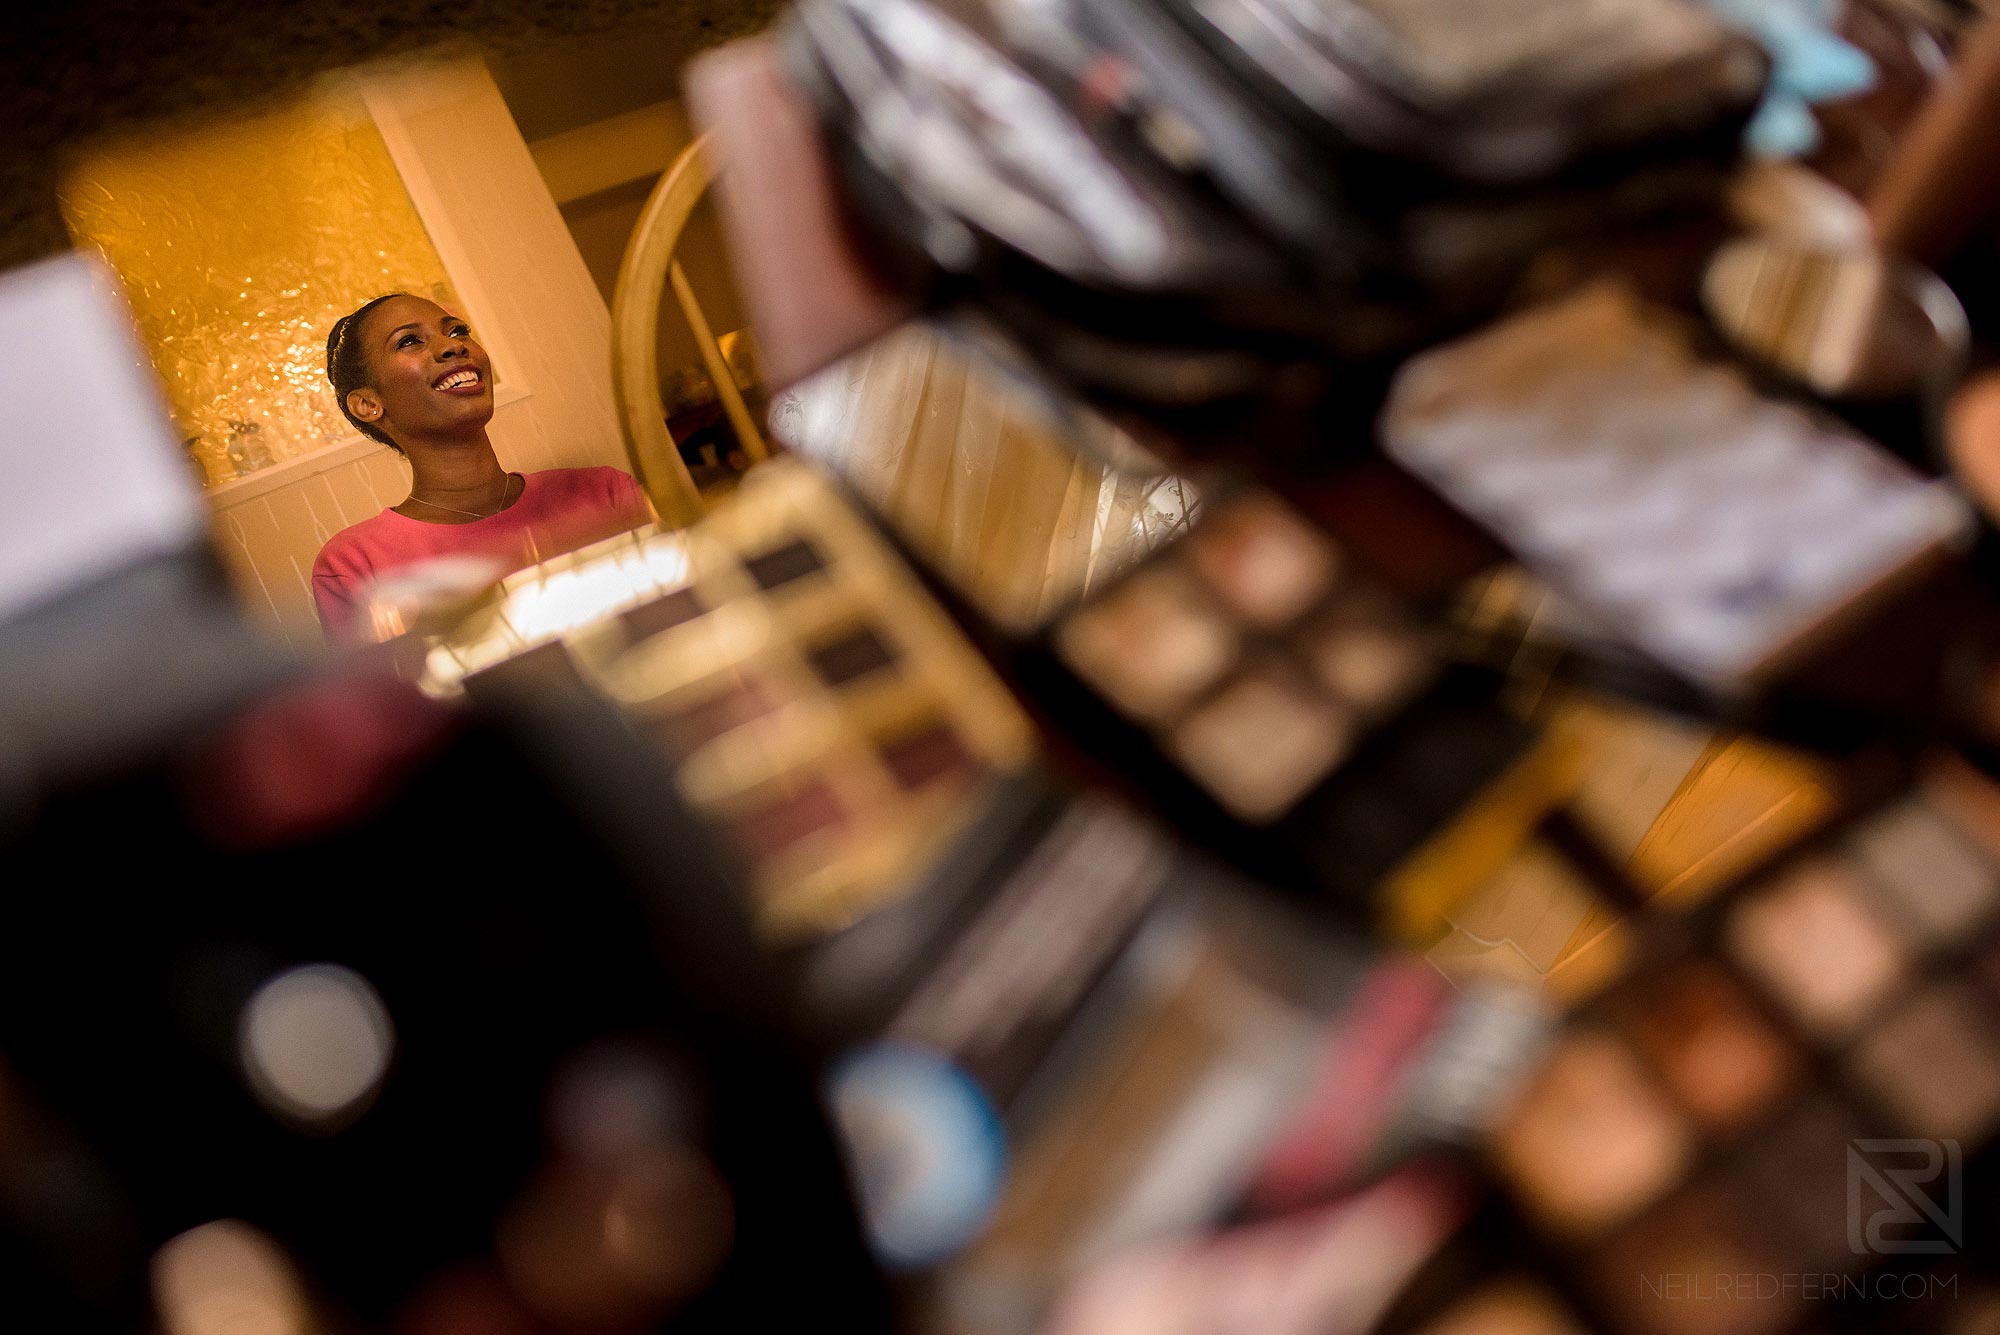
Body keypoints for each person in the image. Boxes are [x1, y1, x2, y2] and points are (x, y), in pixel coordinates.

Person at [311, 293, 654, 639]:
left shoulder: (604, 492)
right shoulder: (354, 565)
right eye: (410, 341)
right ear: (369, 404)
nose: (452, 346)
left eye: (458, 332)